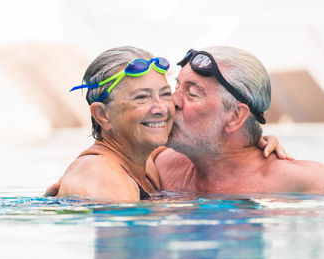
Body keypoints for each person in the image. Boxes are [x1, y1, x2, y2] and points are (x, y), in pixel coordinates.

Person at [45, 46, 286, 201]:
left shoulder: (145, 164)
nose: (161, 108)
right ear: (103, 116)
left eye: (164, 93)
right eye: (141, 97)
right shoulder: (103, 177)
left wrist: (251, 139)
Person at [149, 46, 324, 195]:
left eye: (192, 93)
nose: (171, 101)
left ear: (235, 117)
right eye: (176, 87)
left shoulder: (298, 182)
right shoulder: (159, 164)